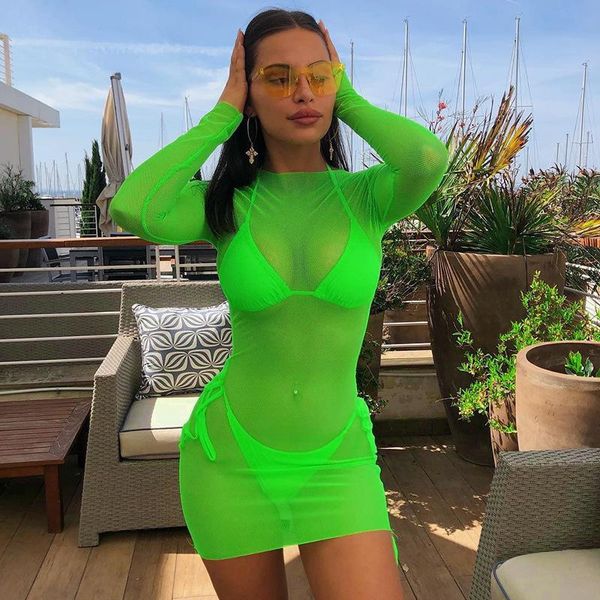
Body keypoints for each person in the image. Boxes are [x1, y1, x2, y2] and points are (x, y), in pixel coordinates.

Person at [109, 8, 449, 600]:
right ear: (250, 93)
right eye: (278, 77)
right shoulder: (224, 204)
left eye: (318, 75)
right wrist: (223, 112)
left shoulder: (367, 197)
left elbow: (426, 158)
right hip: (230, 456)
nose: (303, 92)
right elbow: (134, 206)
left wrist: (348, 99)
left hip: (337, 458)